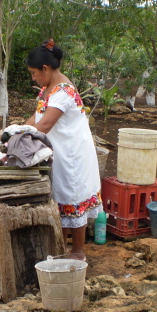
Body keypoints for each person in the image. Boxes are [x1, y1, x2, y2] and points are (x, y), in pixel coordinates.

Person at [24, 39, 103, 261]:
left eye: (34, 73)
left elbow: (46, 124)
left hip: (72, 154)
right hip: (60, 151)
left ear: (45, 69)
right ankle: (62, 248)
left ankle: (78, 253)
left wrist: (22, 137)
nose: (34, 77)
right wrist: (17, 129)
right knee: (61, 199)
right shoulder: (47, 89)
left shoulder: (64, 92)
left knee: (73, 197)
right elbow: (36, 116)